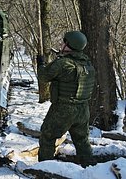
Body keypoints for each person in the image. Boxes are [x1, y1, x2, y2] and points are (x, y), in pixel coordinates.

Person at [36, 31, 96, 167]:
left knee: (48, 136)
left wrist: (40, 63)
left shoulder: (63, 64)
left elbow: (43, 77)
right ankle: (91, 168)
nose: (62, 44)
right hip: (83, 109)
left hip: (64, 109)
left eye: (64, 42)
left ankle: (45, 169)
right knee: (82, 140)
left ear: (69, 45)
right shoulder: (86, 63)